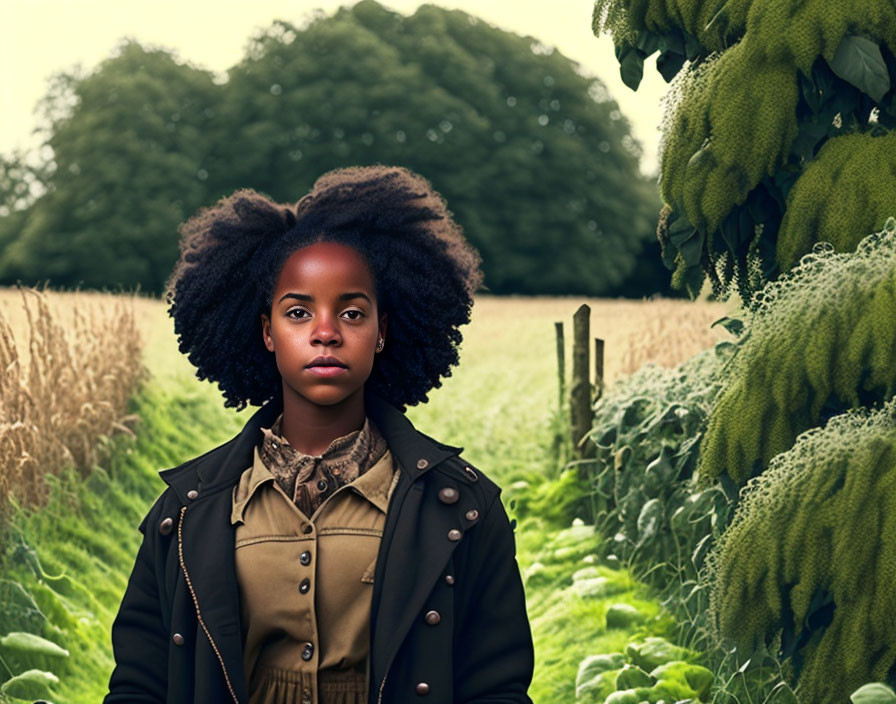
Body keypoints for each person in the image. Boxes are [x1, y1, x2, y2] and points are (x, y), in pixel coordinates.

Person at [104, 165, 534, 704]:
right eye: (298, 312)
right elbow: (140, 684)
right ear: (266, 332)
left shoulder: (464, 508)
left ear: (383, 332)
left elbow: (496, 686)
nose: (326, 332)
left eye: (352, 312)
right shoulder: (187, 511)